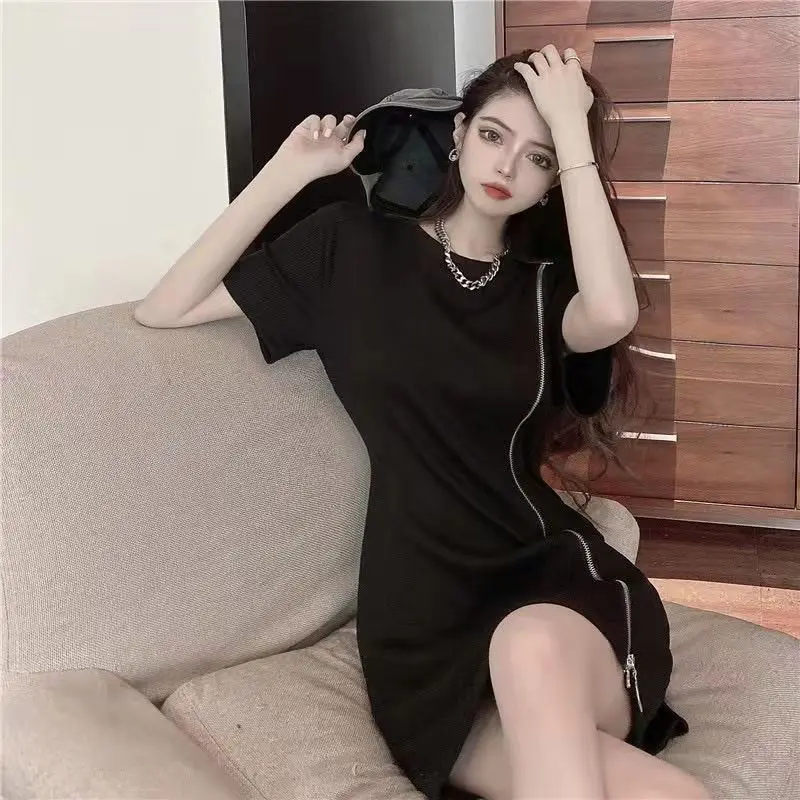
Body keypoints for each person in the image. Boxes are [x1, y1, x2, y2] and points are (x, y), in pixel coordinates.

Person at [135, 46, 710, 800]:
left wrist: (576, 131)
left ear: (552, 182)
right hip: (424, 618)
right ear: (460, 133)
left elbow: (612, 311)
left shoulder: (543, 293)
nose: (508, 165)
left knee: (530, 644)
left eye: (539, 158)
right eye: (494, 135)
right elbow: (165, 307)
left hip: (552, 586)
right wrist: (287, 173)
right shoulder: (347, 247)